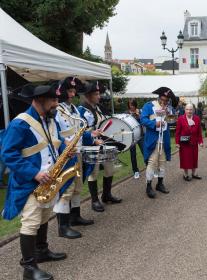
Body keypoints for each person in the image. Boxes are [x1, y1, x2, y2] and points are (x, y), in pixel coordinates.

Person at [1, 85, 72, 280]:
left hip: (48, 180)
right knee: (31, 222)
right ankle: (29, 268)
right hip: (29, 182)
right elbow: (7, 154)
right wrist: (34, 173)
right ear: (39, 99)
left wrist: (66, 153)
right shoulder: (20, 124)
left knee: (44, 216)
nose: (57, 104)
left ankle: (42, 251)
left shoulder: (49, 120)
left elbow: (50, 147)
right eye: (53, 100)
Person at [53, 77, 98, 239]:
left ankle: (75, 216)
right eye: (70, 91)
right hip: (65, 154)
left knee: (78, 186)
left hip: (77, 151)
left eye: (73, 91)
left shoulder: (73, 109)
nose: (72, 94)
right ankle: (63, 226)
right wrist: (64, 144)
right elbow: (53, 133)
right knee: (66, 189)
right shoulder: (57, 110)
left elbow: (78, 129)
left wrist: (91, 135)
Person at [79, 81, 122, 212]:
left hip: (105, 143)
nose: (99, 96)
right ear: (88, 95)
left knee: (110, 169)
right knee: (94, 172)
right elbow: (80, 131)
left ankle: (106, 195)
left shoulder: (98, 108)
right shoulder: (81, 110)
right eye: (96, 94)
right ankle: (94, 200)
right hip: (92, 145)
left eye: (99, 94)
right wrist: (93, 140)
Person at [141, 87, 178, 199]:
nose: (164, 102)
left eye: (167, 100)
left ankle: (160, 184)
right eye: (163, 99)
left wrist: (168, 114)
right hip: (153, 138)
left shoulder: (169, 108)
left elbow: (172, 120)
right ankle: (148, 186)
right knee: (152, 162)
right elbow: (143, 119)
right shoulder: (149, 106)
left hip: (164, 139)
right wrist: (154, 124)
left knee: (162, 162)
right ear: (159, 97)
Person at [176, 103, 203, 181]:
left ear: (193, 110)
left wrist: (200, 141)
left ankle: (194, 173)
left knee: (194, 158)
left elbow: (199, 132)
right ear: (185, 110)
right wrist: (177, 142)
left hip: (194, 142)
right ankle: (185, 174)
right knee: (185, 158)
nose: (189, 111)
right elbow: (177, 132)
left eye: (191, 109)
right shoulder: (181, 118)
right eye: (187, 109)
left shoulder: (197, 118)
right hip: (184, 142)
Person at [127, 99, 143, 179]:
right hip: (132, 137)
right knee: (133, 154)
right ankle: (135, 171)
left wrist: (139, 115)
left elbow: (143, 121)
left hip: (140, 135)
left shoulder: (139, 111)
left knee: (145, 151)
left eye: (132, 105)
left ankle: (149, 167)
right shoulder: (127, 113)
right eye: (130, 105)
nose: (131, 107)